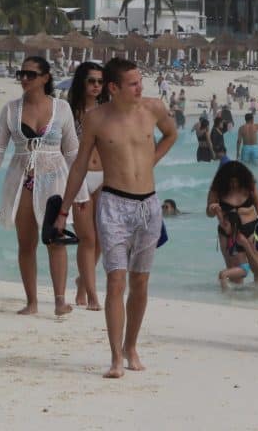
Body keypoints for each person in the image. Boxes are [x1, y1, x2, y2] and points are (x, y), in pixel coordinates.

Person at [55, 57, 177, 379]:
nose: (140, 88)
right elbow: (80, 165)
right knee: (116, 280)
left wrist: (150, 162)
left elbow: (171, 134)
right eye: (133, 83)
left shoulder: (153, 108)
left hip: (148, 205)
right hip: (113, 205)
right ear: (114, 88)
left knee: (140, 281)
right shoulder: (96, 119)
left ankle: (130, 346)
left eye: (140, 82)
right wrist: (64, 209)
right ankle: (115, 358)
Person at [0, 56, 87, 315]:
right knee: (26, 243)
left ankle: (60, 301)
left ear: (45, 78)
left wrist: (80, 194)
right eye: (21, 74)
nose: (24, 78)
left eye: (31, 74)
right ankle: (32, 302)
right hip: (21, 179)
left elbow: (72, 152)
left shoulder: (62, 108)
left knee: (56, 240)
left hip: (54, 178)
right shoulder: (11, 109)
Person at [68, 61, 106, 311]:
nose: (96, 86)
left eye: (100, 82)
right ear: (82, 82)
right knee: (87, 238)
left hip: (104, 177)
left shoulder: (107, 111)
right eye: (91, 81)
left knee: (101, 238)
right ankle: (91, 295)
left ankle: (83, 282)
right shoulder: (69, 112)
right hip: (79, 178)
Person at [207, 161, 258, 287]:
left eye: (236, 181)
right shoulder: (217, 188)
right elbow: (209, 212)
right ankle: (236, 297)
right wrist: (212, 209)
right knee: (236, 277)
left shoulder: (250, 185)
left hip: (252, 230)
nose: (233, 184)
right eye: (230, 181)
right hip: (228, 234)